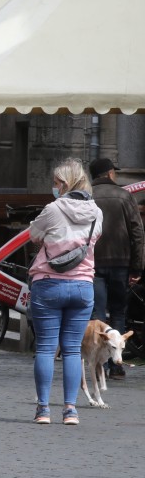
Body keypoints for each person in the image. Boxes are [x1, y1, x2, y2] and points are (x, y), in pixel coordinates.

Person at [28, 157, 102, 426]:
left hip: (48, 283)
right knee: (72, 350)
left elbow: (33, 235)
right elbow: (95, 239)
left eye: (57, 182)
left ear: (67, 183)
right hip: (83, 286)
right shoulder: (96, 212)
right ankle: (71, 410)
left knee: (47, 348)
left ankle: (43, 409)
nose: (54, 186)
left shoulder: (53, 209)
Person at [88, 156, 143, 378]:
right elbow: (137, 233)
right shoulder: (125, 196)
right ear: (110, 173)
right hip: (120, 263)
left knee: (98, 315)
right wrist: (137, 267)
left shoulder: (87, 196)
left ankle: (100, 365)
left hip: (92, 263)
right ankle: (116, 366)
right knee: (119, 312)